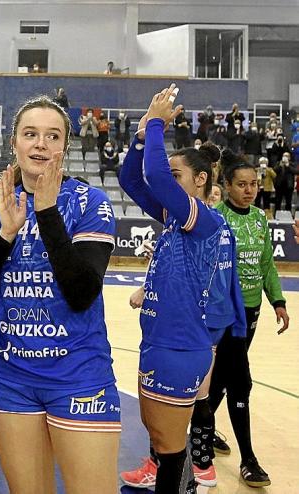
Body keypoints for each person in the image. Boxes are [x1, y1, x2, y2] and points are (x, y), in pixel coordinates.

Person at [0, 96, 120, 493]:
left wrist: (47, 214)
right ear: (14, 142)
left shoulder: (90, 202)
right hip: (14, 377)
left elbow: (82, 292)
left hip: (79, 378)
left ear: (64, 147)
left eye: (52, 136)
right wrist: (6, 235)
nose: (41, 145)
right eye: (30, 134)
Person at [119, 84, 226, 493]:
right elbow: (133, 178)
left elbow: (156, 177)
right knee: (159, 437)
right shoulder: (176, 218)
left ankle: (182, 487)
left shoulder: (205, 222)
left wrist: (159, 124)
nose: (169, 181)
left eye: (179, 175)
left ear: (200, 181)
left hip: (180, 347)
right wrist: (142, 135)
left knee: (168, 444)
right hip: (159, 342)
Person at [209, 150, 290, 488]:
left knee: (223, 379)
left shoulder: (259, 218)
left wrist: (278, 300)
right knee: (239, 380)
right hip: (226, 315)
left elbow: (267, 264)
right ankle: (248, 459)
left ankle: (200, 428)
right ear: (226, 186)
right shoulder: (217, 218)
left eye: (253, 184)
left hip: (252, 312)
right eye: (241, 184)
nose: (249, 190)